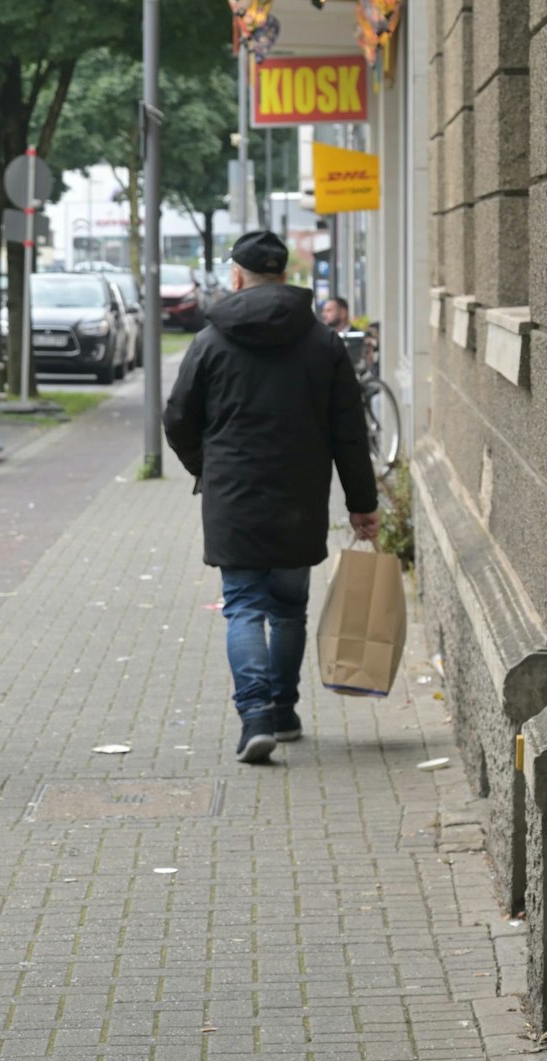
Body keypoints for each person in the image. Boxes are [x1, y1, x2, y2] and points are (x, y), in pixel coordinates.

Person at [164, 231, 380, 764]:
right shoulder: (323, 344)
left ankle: (255, 716)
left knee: (242, 606)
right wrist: (362, 503)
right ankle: (283, 711)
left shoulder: (210, 342)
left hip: (233, 496)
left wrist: (205, 468)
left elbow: (177, 418)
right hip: (300, 497)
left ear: (236, 277)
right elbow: (349, 431)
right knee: (288, 609)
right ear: (285, 276)